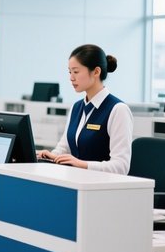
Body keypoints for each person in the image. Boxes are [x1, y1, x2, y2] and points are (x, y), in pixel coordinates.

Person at [38, 44, 133, 174]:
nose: (71, 78)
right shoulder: (76, 107)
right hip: (76, 181)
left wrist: (82, 164)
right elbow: (65, 147)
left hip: (101, 188)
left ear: (96, 72)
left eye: (76, 72)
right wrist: (52, 156)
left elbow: (121, 166)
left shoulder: (118, 110)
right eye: (70, 72)